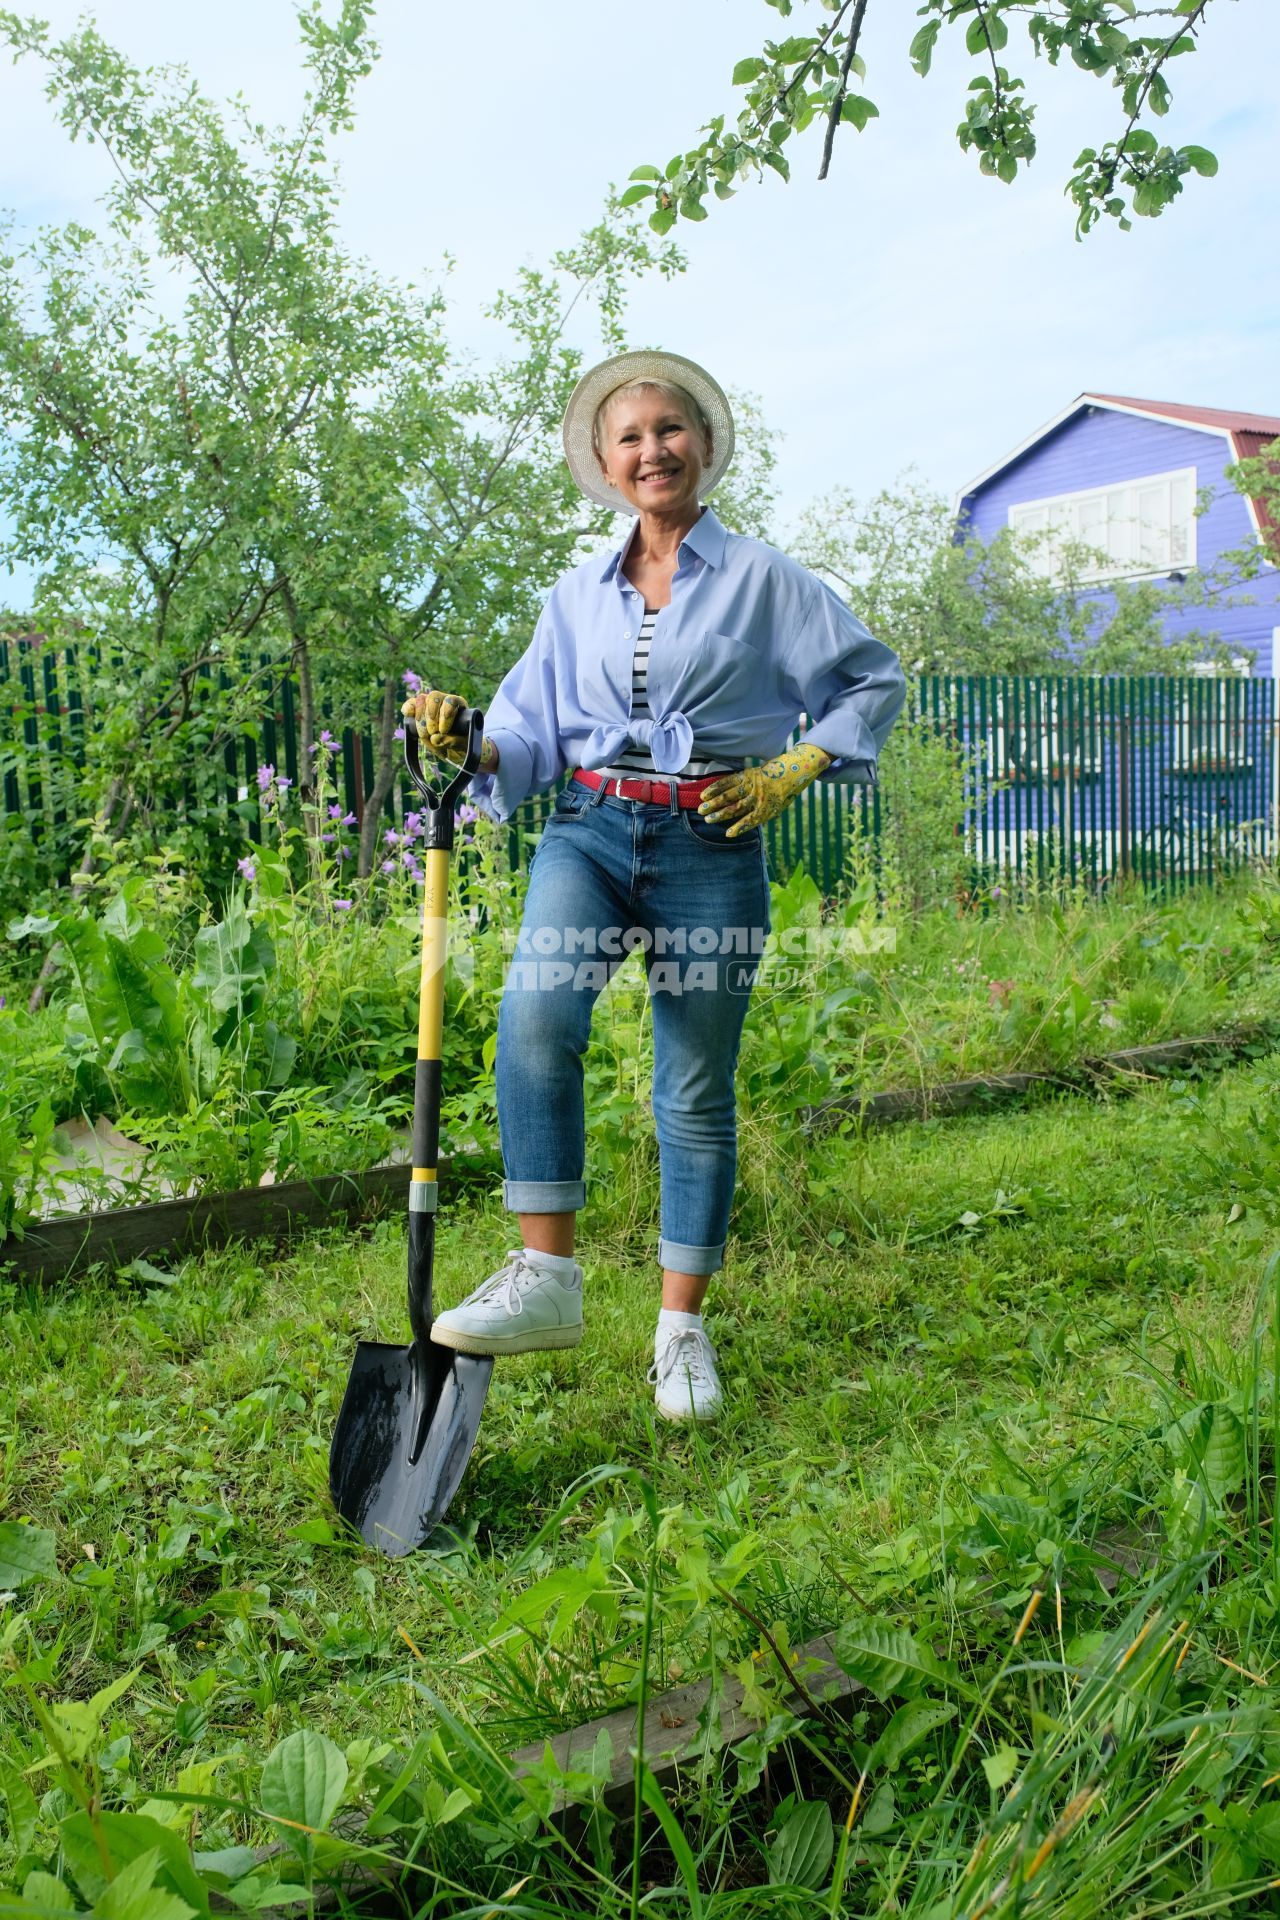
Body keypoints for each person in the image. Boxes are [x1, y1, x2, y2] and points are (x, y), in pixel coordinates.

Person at [403, 349, 905, 1422]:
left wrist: (796, 766)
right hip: (586, 830)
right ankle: (547, 1279)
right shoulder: (574, 595)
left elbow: (870, 677)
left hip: (710, 845)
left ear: (704, 445)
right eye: (628, 436)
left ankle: (681, 1332)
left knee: (691, 1089)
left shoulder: (768, 582)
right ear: (603, 460)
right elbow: (527, 734)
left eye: (668, 429)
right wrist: (467, 739)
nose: (651, 450)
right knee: (535, 1022)